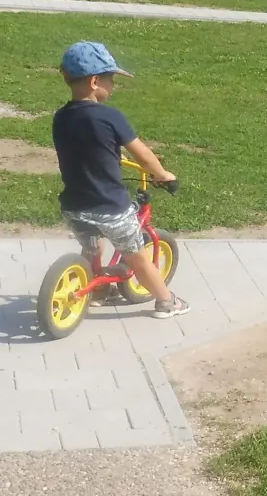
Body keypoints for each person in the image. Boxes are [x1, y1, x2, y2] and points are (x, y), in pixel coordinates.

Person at [52, 42, 189, 318]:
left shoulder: (61, 117)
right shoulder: (110, 117)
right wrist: (162, 175)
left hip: (74, 205)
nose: (112, 86)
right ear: (94, 82)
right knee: (136, 254)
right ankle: (166, 302)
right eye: (111, 80)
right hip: (109, 207)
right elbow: (144, 156)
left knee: (91, 243)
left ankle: (98, 290)